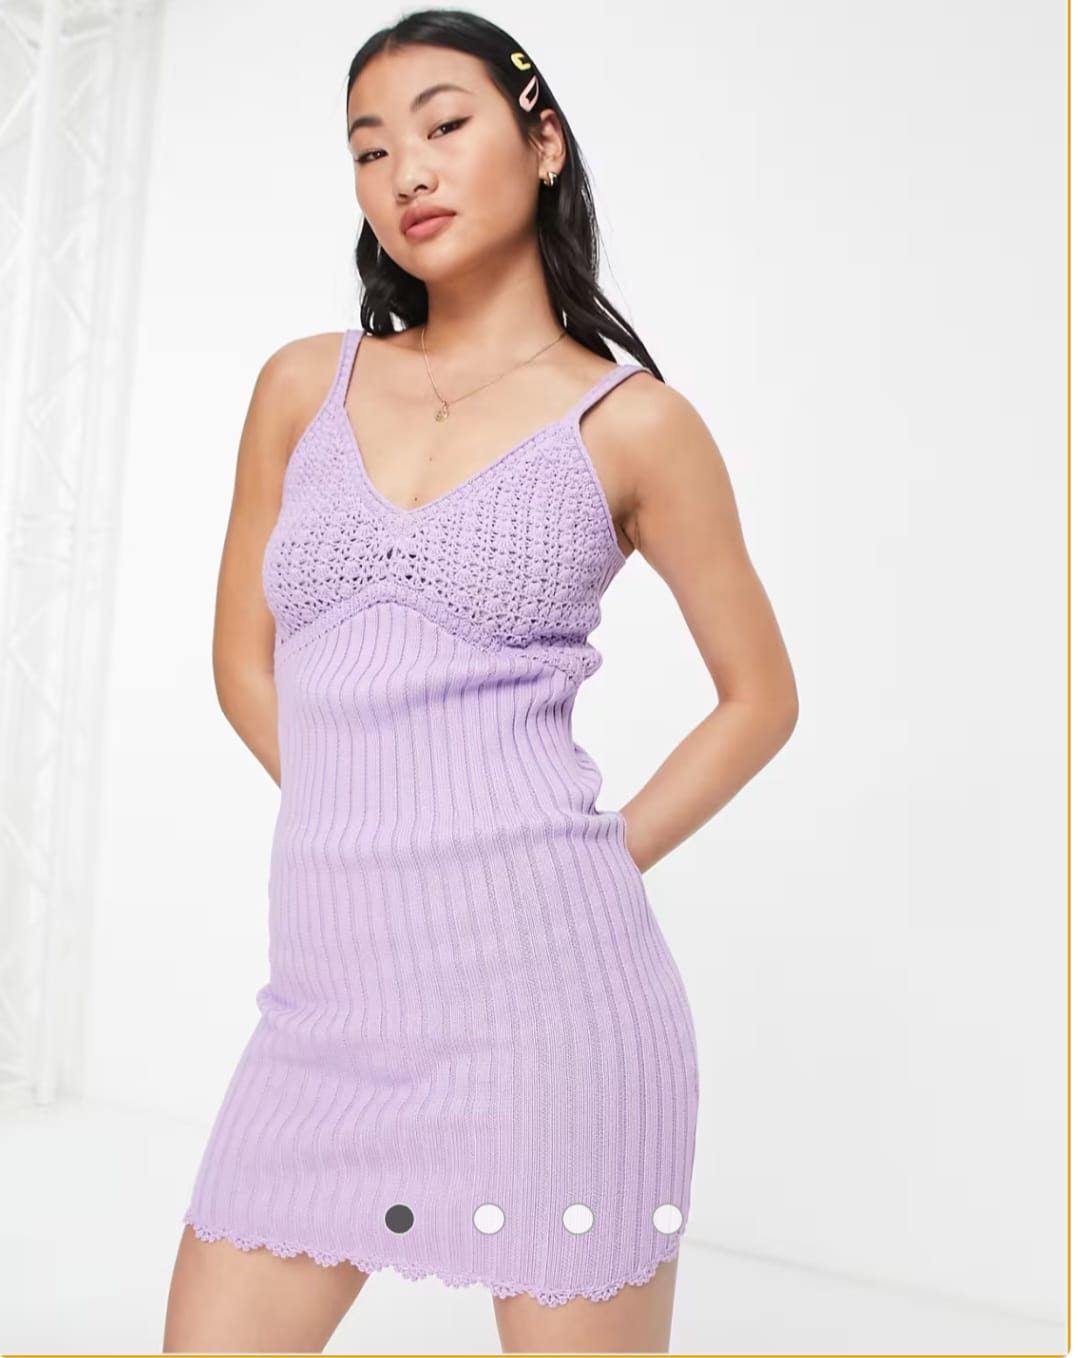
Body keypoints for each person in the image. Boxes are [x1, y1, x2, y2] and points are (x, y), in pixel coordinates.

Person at [163, 9, 798, 1355]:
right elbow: (239, 659)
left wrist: (594, 858)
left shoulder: (635, 423)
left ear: (542, 143)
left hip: (556, 1016)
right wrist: (374, 824)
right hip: (323, 1014)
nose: (407, 170)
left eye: (445, 125)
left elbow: (759, 697)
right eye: (369, 148)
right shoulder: (302, 385)